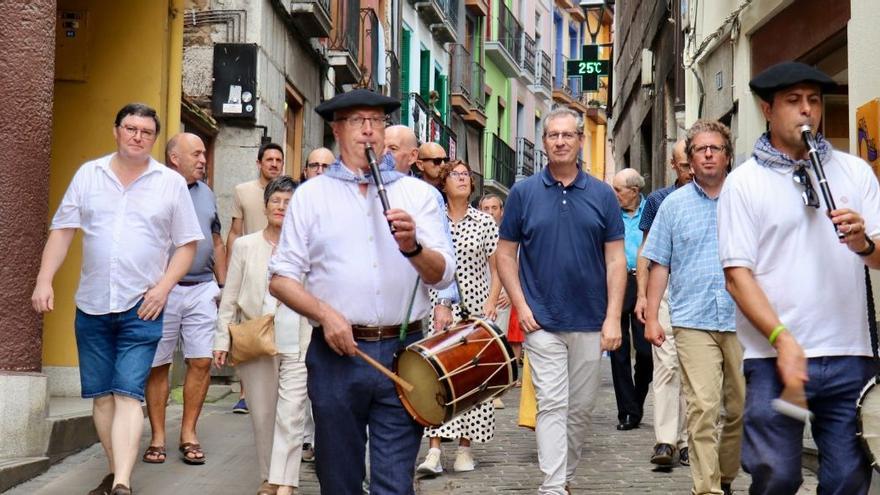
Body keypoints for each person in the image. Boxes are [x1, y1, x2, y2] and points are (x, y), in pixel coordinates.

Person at [267, 89, 455, 495]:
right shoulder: (310, 196)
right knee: (339, 480)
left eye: (376, 121)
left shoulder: (418, 195)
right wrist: (325, 314)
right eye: (357, 121)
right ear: (338, 130)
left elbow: (442, 276)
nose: (368, 130)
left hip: (405, 351)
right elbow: (280, 278)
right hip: (336, 352)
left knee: (394, 483)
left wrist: (414, 248)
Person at [719, 61, 880, 495]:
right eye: (793, 102)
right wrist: (782, 339)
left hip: (850, 354)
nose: (806, 111)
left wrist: (864, 242)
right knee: (777, 474)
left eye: (813, 101)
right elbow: (737, 276)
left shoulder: (854, 172)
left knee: (849, 479)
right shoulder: (743, 183)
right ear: (767, 109)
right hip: (776, 361)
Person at [31, 103, 202, 495]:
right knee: (101, 398)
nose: (137, 136)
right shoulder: (89, 175)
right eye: (130, 128)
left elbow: (187, 245)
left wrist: (163, 288)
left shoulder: (170, 183)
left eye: (146, 131)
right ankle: (114, 469)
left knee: (127, 392)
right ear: (116, 131)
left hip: (143, 305)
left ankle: (122, 483)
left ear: (154, 139)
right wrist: (45, 280)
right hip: (91, 304)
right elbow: (63, 231)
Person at [496, 107, 626, 495]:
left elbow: (616, 259)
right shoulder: (523, 193)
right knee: (552, 403)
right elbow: (505, 254)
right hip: (542, 320)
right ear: (544, 143)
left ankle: (565, 476)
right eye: (553, 136)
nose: (560, 142)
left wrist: (614, 317)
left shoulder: (603, 195)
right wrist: (522, 306)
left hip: (590, 319)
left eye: (568, 135)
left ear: (580, 142)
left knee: (580, 409)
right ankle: (552, 487)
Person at [642, 120, 744, 495]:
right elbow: (659, 264)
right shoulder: (672, 206)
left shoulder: (745, 197)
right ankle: (708, 488)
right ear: (690, 158)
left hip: (742, 319)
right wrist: (652, 317)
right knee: (702, 407)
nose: (707, 154)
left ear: (727, 155)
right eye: (699, 149)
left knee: (738, 410)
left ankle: (726, 475)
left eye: (714, 148)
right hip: (691, 320)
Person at [214, 176, 311, 495]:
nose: (282, 207)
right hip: (256, 337)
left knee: (292, 412)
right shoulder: (245, 245)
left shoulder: (306, 245)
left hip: (298, 339)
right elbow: (230, 295)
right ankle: (270, 476)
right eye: (276, 201)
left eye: (288, 202)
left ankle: (287, 483)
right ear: (265, 205)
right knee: (263, 413)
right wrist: (221, 339)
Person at [143, 133, 226, 466]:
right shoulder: (153, 188)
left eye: (205, 153)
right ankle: (158, 437)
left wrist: (222, 286)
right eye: (197, 153)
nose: (204, 159)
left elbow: (217, 241)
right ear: (174, 157)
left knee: (201, 361)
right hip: (163, 290)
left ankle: (189, 433)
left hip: (203, 287)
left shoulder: (207, 193)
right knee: (158, 364)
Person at [416, 160, 501, 475]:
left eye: (467, 175)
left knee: (473, 378)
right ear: (443, 181)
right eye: (456, 174)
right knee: (433, 375)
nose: (463, 179)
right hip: (436, 305)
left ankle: (465, 447)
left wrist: (493, 301)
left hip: (475, 308)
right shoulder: (431, 222)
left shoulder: (484, 222)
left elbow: (498, 266)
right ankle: (434, 450)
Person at [634, 139, 692, 468]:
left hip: (699, 291)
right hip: (665, 289)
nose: (690, 170)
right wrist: (643, 296)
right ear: (673, 165)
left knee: (690, 368)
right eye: (684, 165)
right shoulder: (658, 200)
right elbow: (647, 251)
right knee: (667, 365)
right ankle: (666, 441)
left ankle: (686, 440)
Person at [226, 142, 285, 414]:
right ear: (259, 162)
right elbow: (234, 231)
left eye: (278, 160)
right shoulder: (243, 191)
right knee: (250, 330)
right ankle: (245, 391)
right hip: (250, 261)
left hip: (279, 261)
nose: (274, 164)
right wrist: (228, 271)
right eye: (269, 159)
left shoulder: (289, 192)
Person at [610, 168, 653, 431]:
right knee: (618, 350)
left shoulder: (652, 211)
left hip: (644, 281)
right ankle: (627, 411)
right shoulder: (610, 214)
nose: (614, 194)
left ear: (634, 192)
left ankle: (636, 401)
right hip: (616, 281)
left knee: (646, 351)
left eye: (618, 190)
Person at [479, 193, 514, 397]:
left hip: (501, 295)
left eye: (494, 208)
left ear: (501, 211)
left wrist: (510, 293)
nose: (491, 212)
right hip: (477, 293)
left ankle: (494, 390)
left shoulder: (509, 233)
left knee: (498, 343)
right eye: (486, 208)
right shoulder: (475, 228)